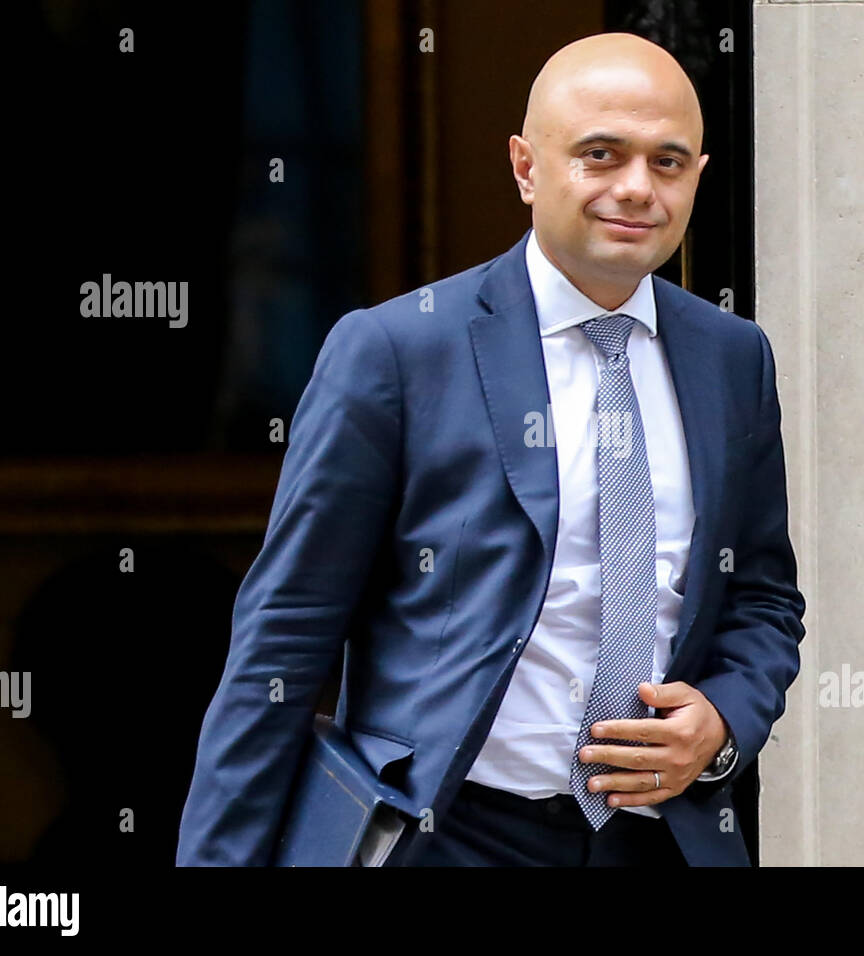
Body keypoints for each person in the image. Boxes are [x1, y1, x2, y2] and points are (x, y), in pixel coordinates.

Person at [176, 31, 806, 868]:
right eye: (601, 154)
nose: (636, 188)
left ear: (698, 175)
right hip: (447, 834)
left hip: (660, 842)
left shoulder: (733, 357)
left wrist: (723, 719)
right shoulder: (397, 352)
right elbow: (287, 631)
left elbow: (762, 598)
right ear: (525, 166)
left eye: (667, 161)